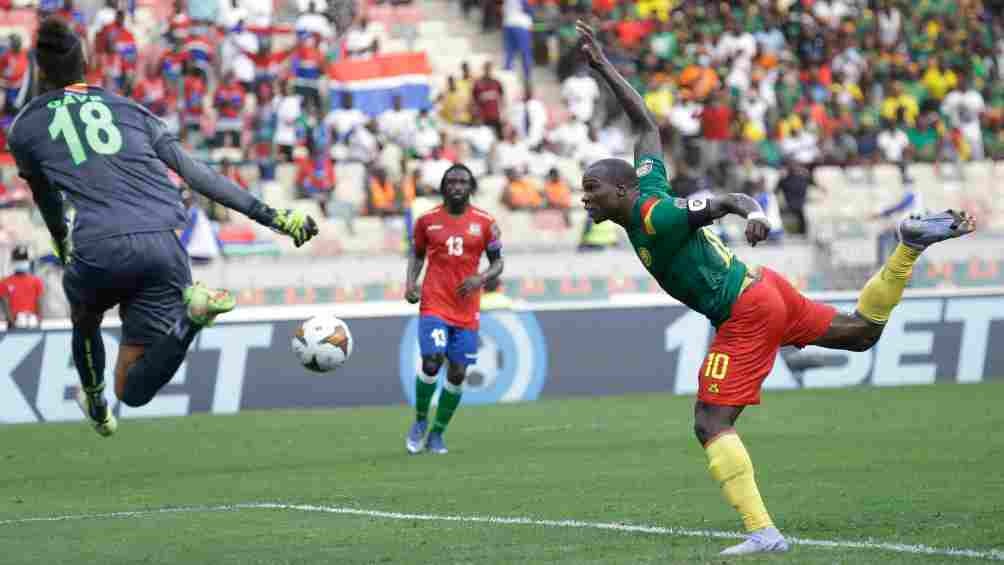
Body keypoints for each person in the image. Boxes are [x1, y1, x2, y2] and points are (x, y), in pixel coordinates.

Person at [574, 21, 975, 556]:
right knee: (860, 334)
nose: (586, 199)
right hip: (766, 291)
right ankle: (907, 247)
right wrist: (603, 68)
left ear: (621, 190)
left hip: (745, 311)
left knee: (710, 421)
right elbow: (644, 122)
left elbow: (723, 200)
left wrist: (757, 212)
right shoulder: (646, 186)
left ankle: (763, 532)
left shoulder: (659, 216)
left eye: (592, 189)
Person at [8, 18, 319, 437]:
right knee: (134, 388)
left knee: (85, 316)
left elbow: (47, 200)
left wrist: (63, 242)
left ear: (40, 71)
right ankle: (191, 319)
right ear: (89, 64)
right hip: (163, 244)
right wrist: (275, 217)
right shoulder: (132, 111)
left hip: (99, 245)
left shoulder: (25, 128)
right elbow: (197, 174)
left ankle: (96, 400)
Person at [403, 164, 504, 455]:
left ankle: (437, 433)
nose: (456, 186)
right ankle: (421, 421)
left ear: (470, 186)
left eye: (462, 181)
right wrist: (411, 283)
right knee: (432, 361)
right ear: (443, 186)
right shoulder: (427, 221)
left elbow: (498, 262)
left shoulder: (486, 222)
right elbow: (417, 254)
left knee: (458, 372)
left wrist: (481, 277)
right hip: (434, 302)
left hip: (467, 308)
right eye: (451, 181)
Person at [0, 245, 44, 329]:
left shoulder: (36, 281)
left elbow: (39, 303)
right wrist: (13, 323)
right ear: (13, 261)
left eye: (23, 260)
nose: (21, 262)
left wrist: (38, 321)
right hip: (14, 324)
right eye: (18, 260)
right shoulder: (4, 282)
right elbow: (5, 305)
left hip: (33, 323)